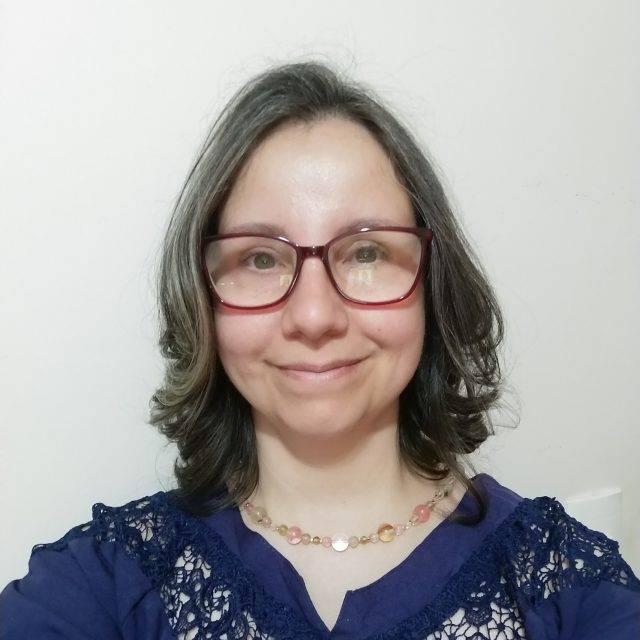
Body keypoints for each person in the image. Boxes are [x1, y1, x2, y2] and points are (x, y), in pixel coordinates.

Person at [1, 60, 638, 639]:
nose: (313, 316)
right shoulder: (107, 582)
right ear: (202, 298)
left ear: (433, 285)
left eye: (366, 252)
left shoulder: (568, 590)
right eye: (259, 258)